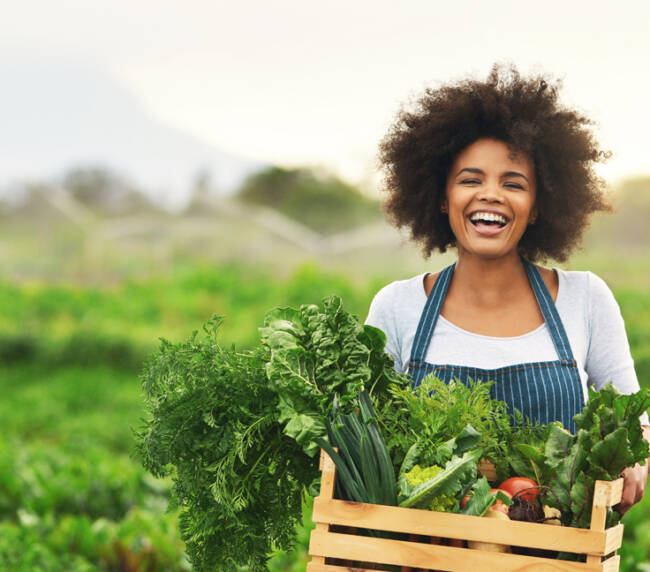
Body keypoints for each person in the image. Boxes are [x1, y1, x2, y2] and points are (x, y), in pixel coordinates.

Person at [365, 64, 649, 514]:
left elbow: (633, 419)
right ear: (442, 198)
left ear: (538, 207)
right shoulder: (397, 307)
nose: (491, 195)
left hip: (553, 554)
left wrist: (637, 458)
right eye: (470, 180)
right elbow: (364, 444)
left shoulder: (586, 299)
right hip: (425, 554)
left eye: (513, 184)